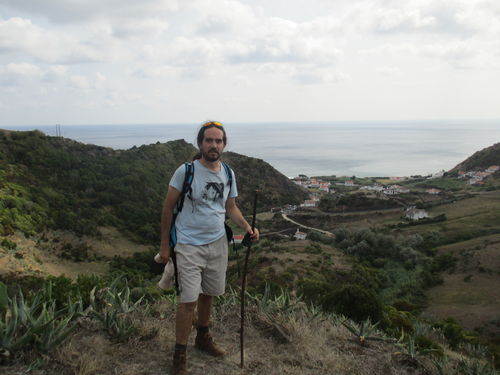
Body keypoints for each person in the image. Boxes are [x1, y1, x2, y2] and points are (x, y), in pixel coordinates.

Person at [159, 121, 259, 375]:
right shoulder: (186, 171)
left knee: (209, 294)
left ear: (224, 144)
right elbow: (168, 208)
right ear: (200, 143)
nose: (213, 145)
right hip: (188, 244)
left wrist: (248, 227)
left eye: (218, 141)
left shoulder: (227, 172)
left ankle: (202, 338)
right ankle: (179, 353)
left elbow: (230, 207)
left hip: (217, 242)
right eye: (209, 140)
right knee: (188, 300)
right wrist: (164, 247)